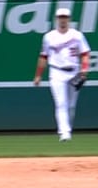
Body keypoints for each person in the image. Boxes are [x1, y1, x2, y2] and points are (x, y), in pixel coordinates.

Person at [33, 8, 91, 142]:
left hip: (73, 71)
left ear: (69, 19)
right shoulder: (49, 36)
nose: (63, 19)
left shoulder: (77, 35)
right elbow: (43, 56)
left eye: (65, 17)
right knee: (61, 103)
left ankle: (67, 129)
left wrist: (84, 71)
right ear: (57, 19)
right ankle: (64, 133)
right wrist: (38, 75)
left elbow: (85, 54)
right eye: (60, 17)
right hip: (56, 72)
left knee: (71, 105)